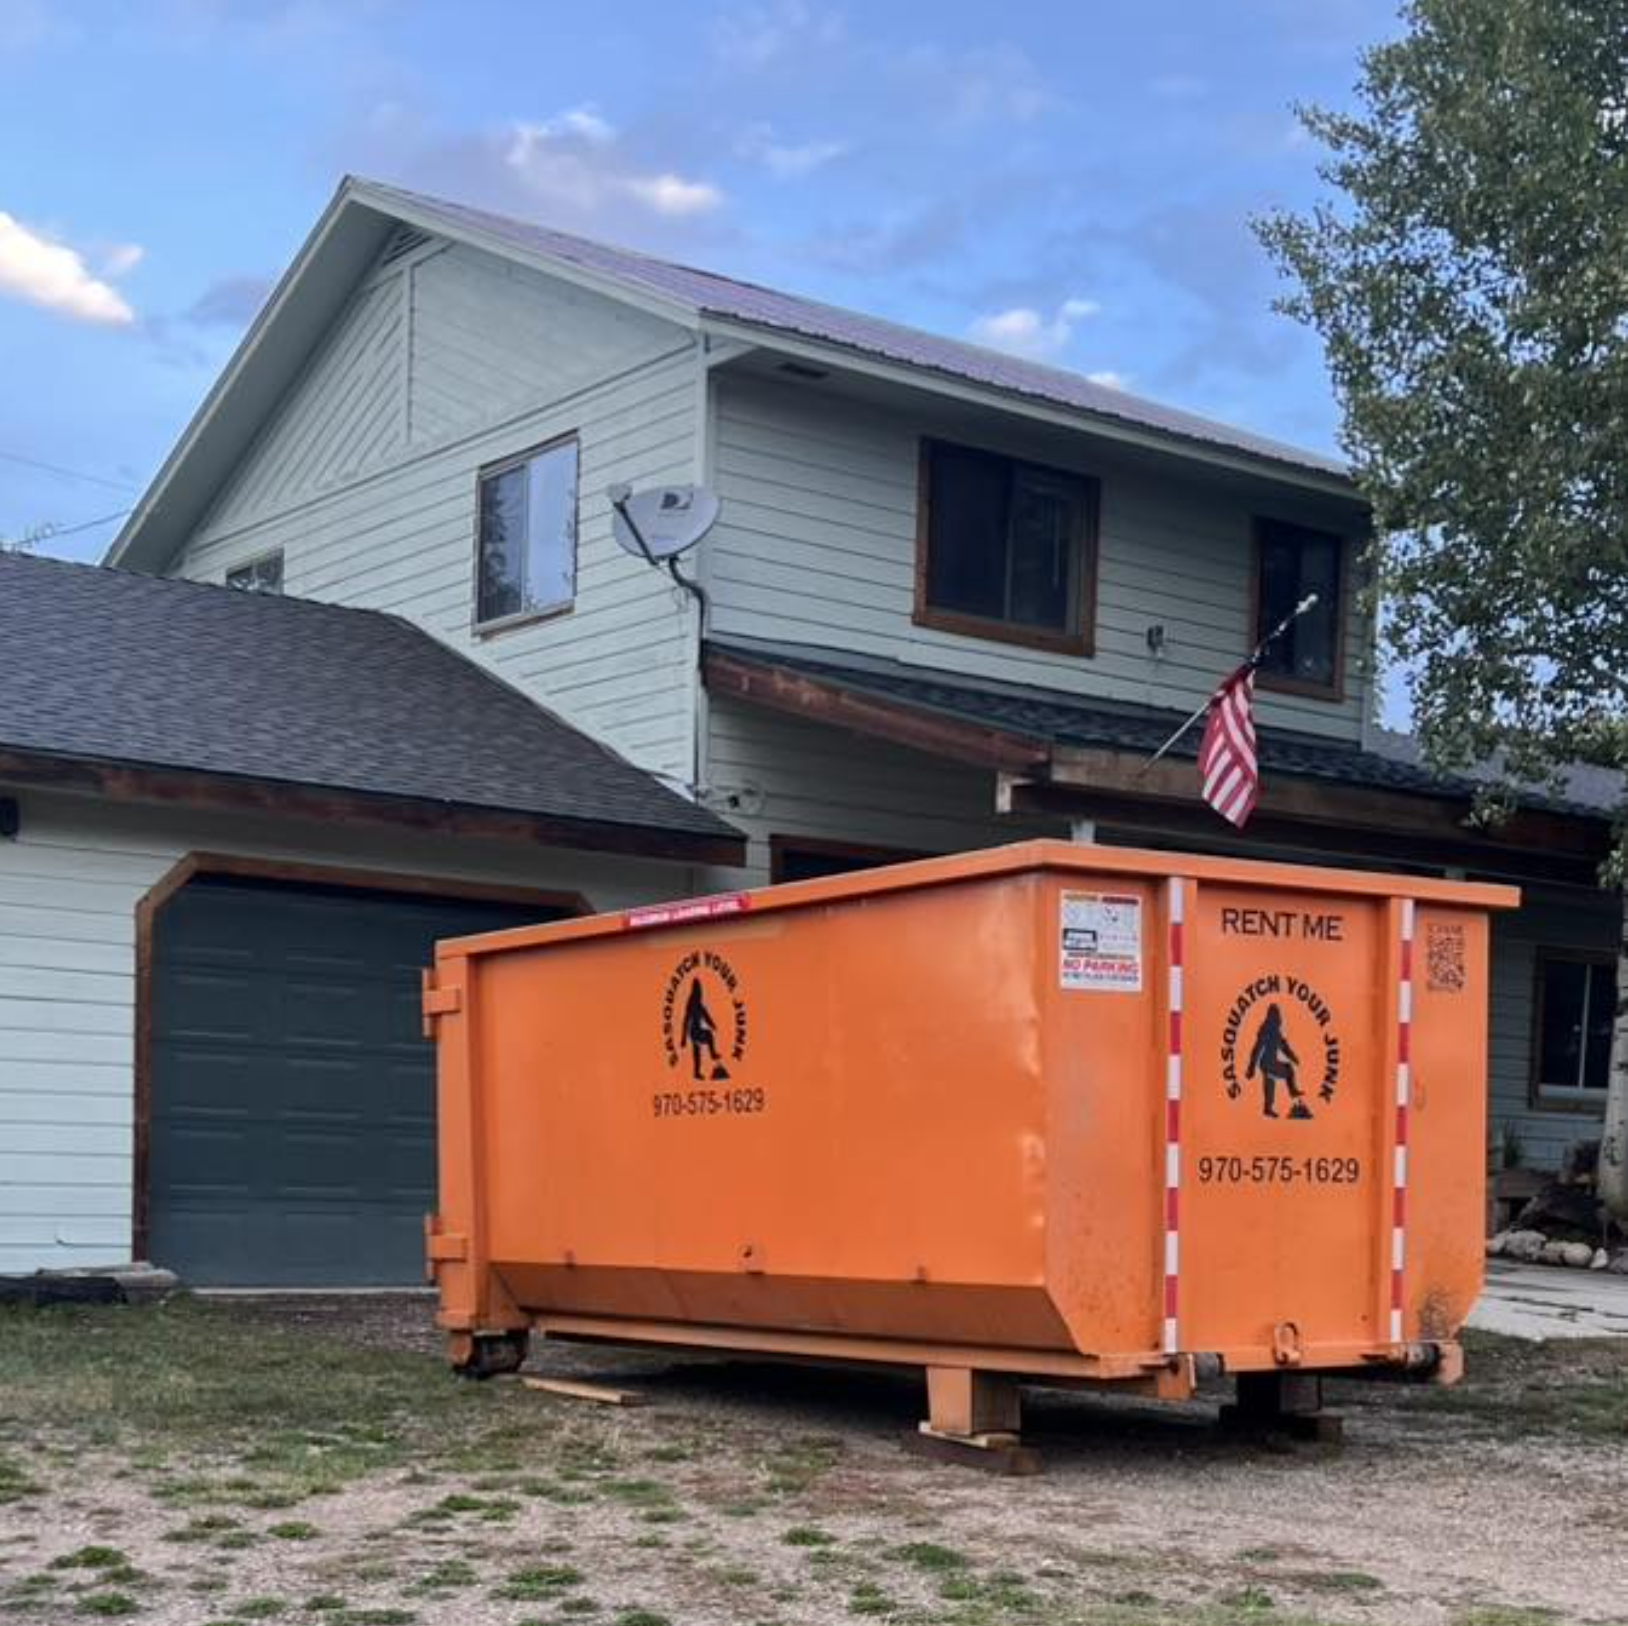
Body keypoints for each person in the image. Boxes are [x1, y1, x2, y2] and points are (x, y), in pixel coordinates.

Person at [1245, 1002, 1310, 1119]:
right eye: (1276, 1015)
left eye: (1278, 1015)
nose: (1279, 1018)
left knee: (1271, 1083)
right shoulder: (1266, 1030)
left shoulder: (1275, 1031)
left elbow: (1284, 1047)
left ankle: (1268, 1109)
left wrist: (1293, 1057)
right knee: (1287, 1069)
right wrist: (1251, 1068)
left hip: (1268, 1063)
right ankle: (1291, 1091)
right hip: (1267, 1063)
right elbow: (1257, 1049)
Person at [682, 977, 727, 1080]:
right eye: (698, 990)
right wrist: (683, 1038)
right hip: (694, 1031)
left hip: (696, 1030)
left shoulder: (698, 1003)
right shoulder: (691, 1004)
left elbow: (706, 1014)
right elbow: (685, 1020)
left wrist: (712, 1024)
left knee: (706, 1039)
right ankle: (699, 1070)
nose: (700, 992)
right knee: (700, 1047)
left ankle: (710, 1057)